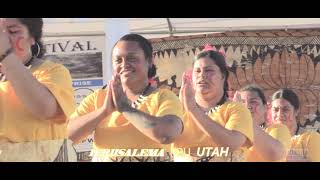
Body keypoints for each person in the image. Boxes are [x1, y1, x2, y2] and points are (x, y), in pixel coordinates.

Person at [68, 33, 184, 162]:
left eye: (132, 59)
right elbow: (66, 137)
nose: (124, 64)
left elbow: (166, 135)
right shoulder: (98, 98)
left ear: (150, 61)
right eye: (118, 60)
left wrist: (125, 109)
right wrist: (103, 112)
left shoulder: (164, 97)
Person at [0, 18, 76, 161]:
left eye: (12, 31)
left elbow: (46, 109)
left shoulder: (53, 71)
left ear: (32, 37)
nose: (3, 39)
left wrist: (6, 55)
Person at [172, 45, 254, 162]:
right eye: (197, 71)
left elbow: (231, 143)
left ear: (223, 76)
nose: (202, 75)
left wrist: (193, 110)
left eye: (209, 70)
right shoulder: (178, 110)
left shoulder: (236, 109)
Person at [234, 85, 291, 162]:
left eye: (253, 102)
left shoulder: (279, 129)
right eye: (242, 102)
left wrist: (244, 116)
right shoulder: (234, 137)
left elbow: (273, 154)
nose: (247, 106)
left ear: (265, 107)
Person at [270, 89, 320, 162]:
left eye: (285, 109)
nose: (279, 114)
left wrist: (284, 152)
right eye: (276, 110)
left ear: (296, 111)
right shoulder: (267, 138)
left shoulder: (309, 138)